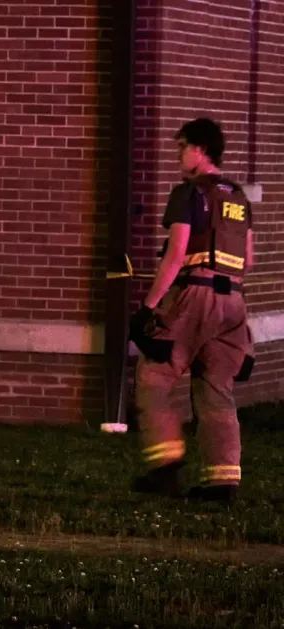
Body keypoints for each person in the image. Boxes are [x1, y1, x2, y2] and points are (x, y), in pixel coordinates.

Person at [129, 118, 254, 505]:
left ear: (200, 150)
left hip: (194, 296)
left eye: (182, 147)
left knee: (153, 374)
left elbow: (176, 254)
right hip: (233, 303)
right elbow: (247, 260)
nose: (178, 155)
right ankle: (222, 481)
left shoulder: (188, 193)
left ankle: (165, 466)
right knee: (216, 388)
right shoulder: (238, 197)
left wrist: (147, 307)